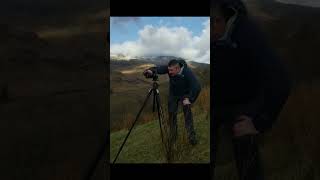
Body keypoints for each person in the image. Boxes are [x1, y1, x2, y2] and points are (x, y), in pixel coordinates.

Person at [212, 0, 291, 179]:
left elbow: (281, 80)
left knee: (248, 166)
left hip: (243, 106)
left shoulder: (246, 32)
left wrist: (259, 122)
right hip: (215, 104)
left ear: (217, 20)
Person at [144, 59, 201, 145]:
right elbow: (159, 69)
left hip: (185, 95)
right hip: (173, 94)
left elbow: (197, 87)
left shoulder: (187, 73)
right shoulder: (170, 68)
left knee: (188, 116)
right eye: (168, 69)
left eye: (171, 70)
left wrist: (190, 99)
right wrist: (151, 71)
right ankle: (173, 137)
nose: (169, 72)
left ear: (178, 68)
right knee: (172, 114)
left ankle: (191, 138)